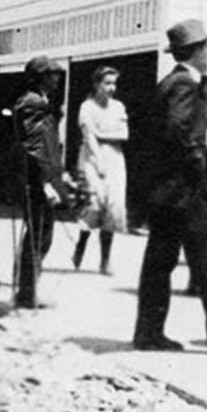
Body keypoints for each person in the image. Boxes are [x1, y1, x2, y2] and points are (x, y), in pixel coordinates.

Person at [133, 19, 207, 353]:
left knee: (160, 262)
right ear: (198, 51)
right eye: (206, 48)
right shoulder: (186, 84)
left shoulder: (170, 81)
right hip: (187, 189)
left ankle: (148, 332)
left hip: (167, 190)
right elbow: (179, 129)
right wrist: (198, 163)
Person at [14, 56, 67, 309]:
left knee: (40, 235)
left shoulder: (41, 101)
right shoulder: (33, 102)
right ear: (40, 77)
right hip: (35, 179)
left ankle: (28, 291)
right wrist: (46, 182)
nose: (56, 78)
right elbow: (35, 146)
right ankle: (26, 294)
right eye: (51, 74)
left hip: (40, 176)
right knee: (37, 235)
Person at [72, 66, 129, 276]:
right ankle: (81, 244)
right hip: (92, 158)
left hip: (115, 158)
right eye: (107, 83)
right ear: (97, 84)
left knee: (113, 207)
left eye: (114, 83)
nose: (111, 88)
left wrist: (101, 133)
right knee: (94, 204)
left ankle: (105, 260)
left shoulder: (118, 107)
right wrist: (99, 162)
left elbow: (124, 134)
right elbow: (89, 136)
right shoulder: (87, 107)